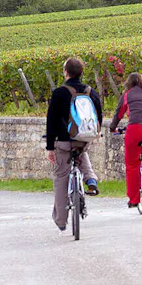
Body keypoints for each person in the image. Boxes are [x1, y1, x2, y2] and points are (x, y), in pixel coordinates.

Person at [46, 57, 102, 231]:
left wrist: (50, 146)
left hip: (63, 141)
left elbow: (51, 122)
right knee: (81, 153)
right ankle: (90, 179)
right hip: (84, 139)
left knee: (61, 177)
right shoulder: (90, 92)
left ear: (66, 72)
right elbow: (99, 115)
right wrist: (95, 133)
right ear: (82, 72)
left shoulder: (59, 93)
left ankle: (61, 221)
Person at [109, 72, 142, 208]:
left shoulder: (127, 95)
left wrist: (112, 128)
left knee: (132, 165)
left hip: (135, 130)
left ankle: (134, 200)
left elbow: (118, 113)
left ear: (129, 83)